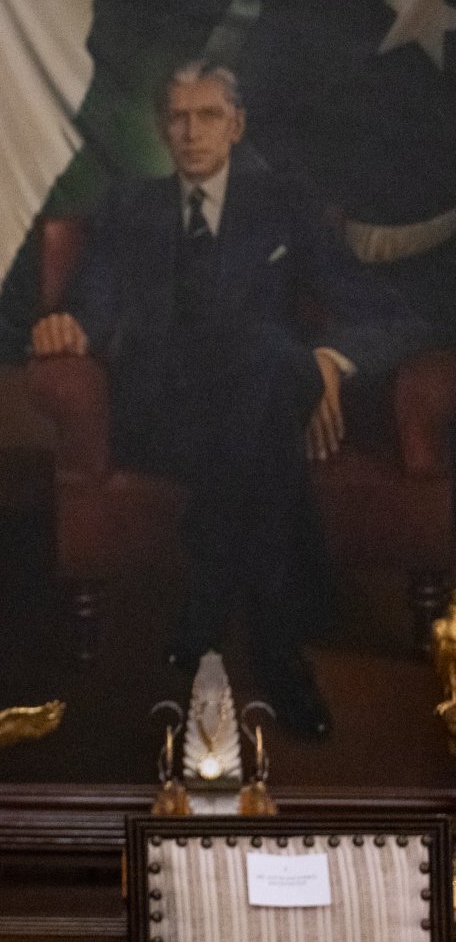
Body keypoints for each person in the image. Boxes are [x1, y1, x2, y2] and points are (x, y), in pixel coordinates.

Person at [30, 62, 428, 738]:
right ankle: (278, 644)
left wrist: (329, 361)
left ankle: (224, 611)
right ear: (162, 128)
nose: (192, 132)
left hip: (255, 404)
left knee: (266, 363)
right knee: (273, 370)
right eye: (179, 117)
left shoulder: (283, 204)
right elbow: (90, 308)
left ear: (236, 126)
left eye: (208, 115)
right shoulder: (129, 208)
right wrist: (67, 325)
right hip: (162, 417)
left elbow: (393, 315)